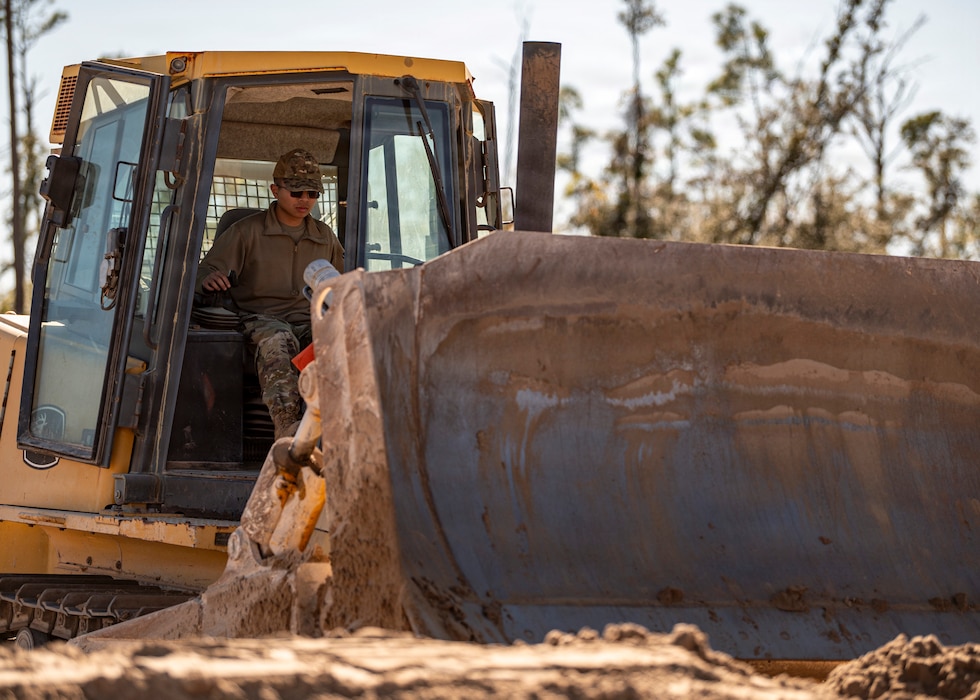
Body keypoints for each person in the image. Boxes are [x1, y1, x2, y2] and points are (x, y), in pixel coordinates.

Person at [196, 148, 344, 439]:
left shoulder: (324, 236)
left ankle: (335, 429)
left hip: (308, 319)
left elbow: (341, 284)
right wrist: (209, 278)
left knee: (339, 341)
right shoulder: (246, 232)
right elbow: (206, 270)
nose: (305, 200)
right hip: (260, 319)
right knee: (278, 339)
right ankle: (287, 428)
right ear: (275, 190)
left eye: (312, 194)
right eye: (296, 192)